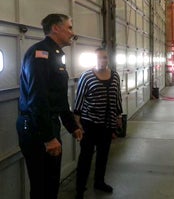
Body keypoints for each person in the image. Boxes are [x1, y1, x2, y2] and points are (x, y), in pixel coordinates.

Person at [16, 13, 83, 199]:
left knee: (51, 181)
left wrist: (72, 126)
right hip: (36, 130)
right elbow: (38, 99)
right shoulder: (40, 54)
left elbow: (58, 97)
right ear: (55, 28)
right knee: (42, 185)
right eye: (69, 28)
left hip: (47, 126)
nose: (72, 33)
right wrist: (48, 138)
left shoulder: (54, 54)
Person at [74, 47, 123, 198]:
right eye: (100, 58)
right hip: (90, 124)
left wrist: (118, 116)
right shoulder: (86, 77)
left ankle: (99, 182)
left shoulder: (114, 76)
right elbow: (78, 102)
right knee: (86, 158)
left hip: (107, 125)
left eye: (105, 58)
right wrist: (78, 124)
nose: (103, 60)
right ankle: (80, 189)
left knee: (103, 155)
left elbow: (117, 97)